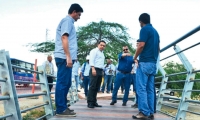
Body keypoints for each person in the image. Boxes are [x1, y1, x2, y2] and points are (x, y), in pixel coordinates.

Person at [54, 3, 83, 117]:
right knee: (62, 82)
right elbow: (64, 37)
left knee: (66, 83)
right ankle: (61, 109)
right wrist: (68, 57)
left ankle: (63, 107)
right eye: (79, 14)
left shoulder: (69, 22)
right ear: (74, 12)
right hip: (63, 57)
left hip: (64, 57)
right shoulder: (67, 21)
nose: (79, 17)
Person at [132, 13, 160, 120]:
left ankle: (143, 112)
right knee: (150, 89)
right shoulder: (156, 32)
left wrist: (135, 57)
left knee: (141, 88)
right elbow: (158, 48)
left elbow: (141, 45)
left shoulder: (144, 29)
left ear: (141, 21)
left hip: (144, 62)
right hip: (153, 63)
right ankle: (150, 111)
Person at [87, 40, 106, 108]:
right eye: (101, 45)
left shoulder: (102, 53)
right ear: (98, 45)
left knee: (96, 87)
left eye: (104, 46)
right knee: (92, 86)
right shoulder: (94, 51)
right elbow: (91, 60)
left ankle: (94, 101)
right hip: (94, 69)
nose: (102, 46)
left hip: (100, 70)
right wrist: (93, 68)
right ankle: (90, 102)